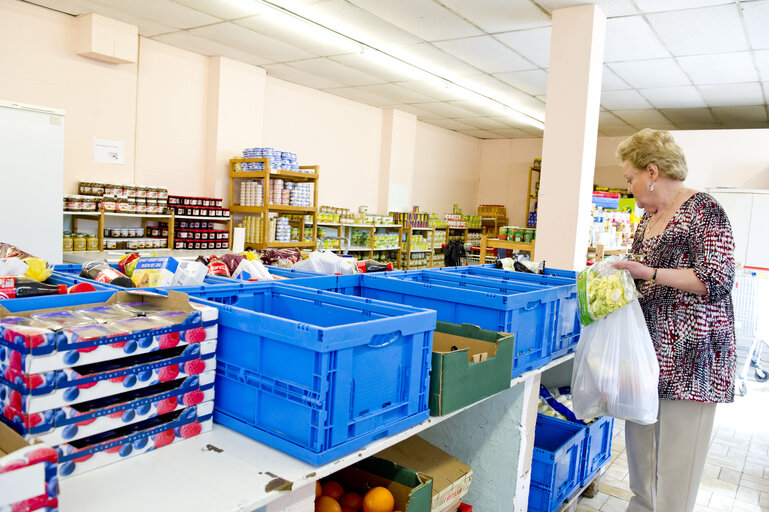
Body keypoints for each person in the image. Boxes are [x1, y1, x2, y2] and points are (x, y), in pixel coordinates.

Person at [612, 129, 736, 512]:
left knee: (675, 477)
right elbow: (637, 273)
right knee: (642, 466)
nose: (629, 187)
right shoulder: (647, 220)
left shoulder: (704, 210)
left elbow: (717, 278)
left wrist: (650, 273)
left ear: (652, 172)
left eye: (630, 177)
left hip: (692, 360)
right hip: (647, 357)